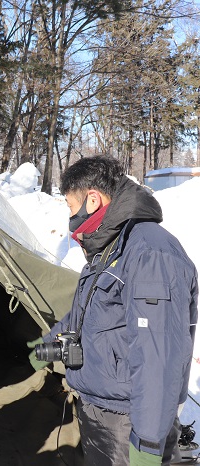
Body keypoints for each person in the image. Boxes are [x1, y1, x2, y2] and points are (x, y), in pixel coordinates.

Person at [28, 156, 198, 466]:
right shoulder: (110, 248)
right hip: (99, 411)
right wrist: (48, 344)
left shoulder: (150, 253)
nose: (70, 218)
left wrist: (147, 442)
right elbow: (85, 316)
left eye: (70, 207)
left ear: (92, 200)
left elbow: (159, 354)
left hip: (127, 422)